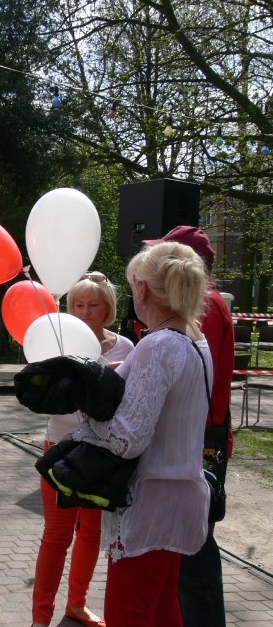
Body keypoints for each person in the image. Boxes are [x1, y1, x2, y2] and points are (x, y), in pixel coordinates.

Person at [70, 241, 212, 627]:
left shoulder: (159, 344)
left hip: (151, 501)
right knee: (165, 610)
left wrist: (87, 402)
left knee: (128, 613)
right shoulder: (196, 339)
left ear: (143, 289)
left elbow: (126, 439)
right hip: (181, 494)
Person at [31, 272, 134, 627]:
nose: (85, 311)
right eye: (78, 305)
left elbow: (127, 405)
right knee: (57, 536)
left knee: (90, 533)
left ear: (108, 308)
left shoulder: (126, 348)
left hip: (100, 454)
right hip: (61, 447)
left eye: (93, 305)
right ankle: (40, 618)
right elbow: (46, 397)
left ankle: (76, 604)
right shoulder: (58, 341)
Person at [143, 226, 234, 627]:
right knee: (189, 550)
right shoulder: (205, 307)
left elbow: (188, 380)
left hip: (200, 438)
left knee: (195, 551)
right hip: (202, 434)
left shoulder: (206, 309)